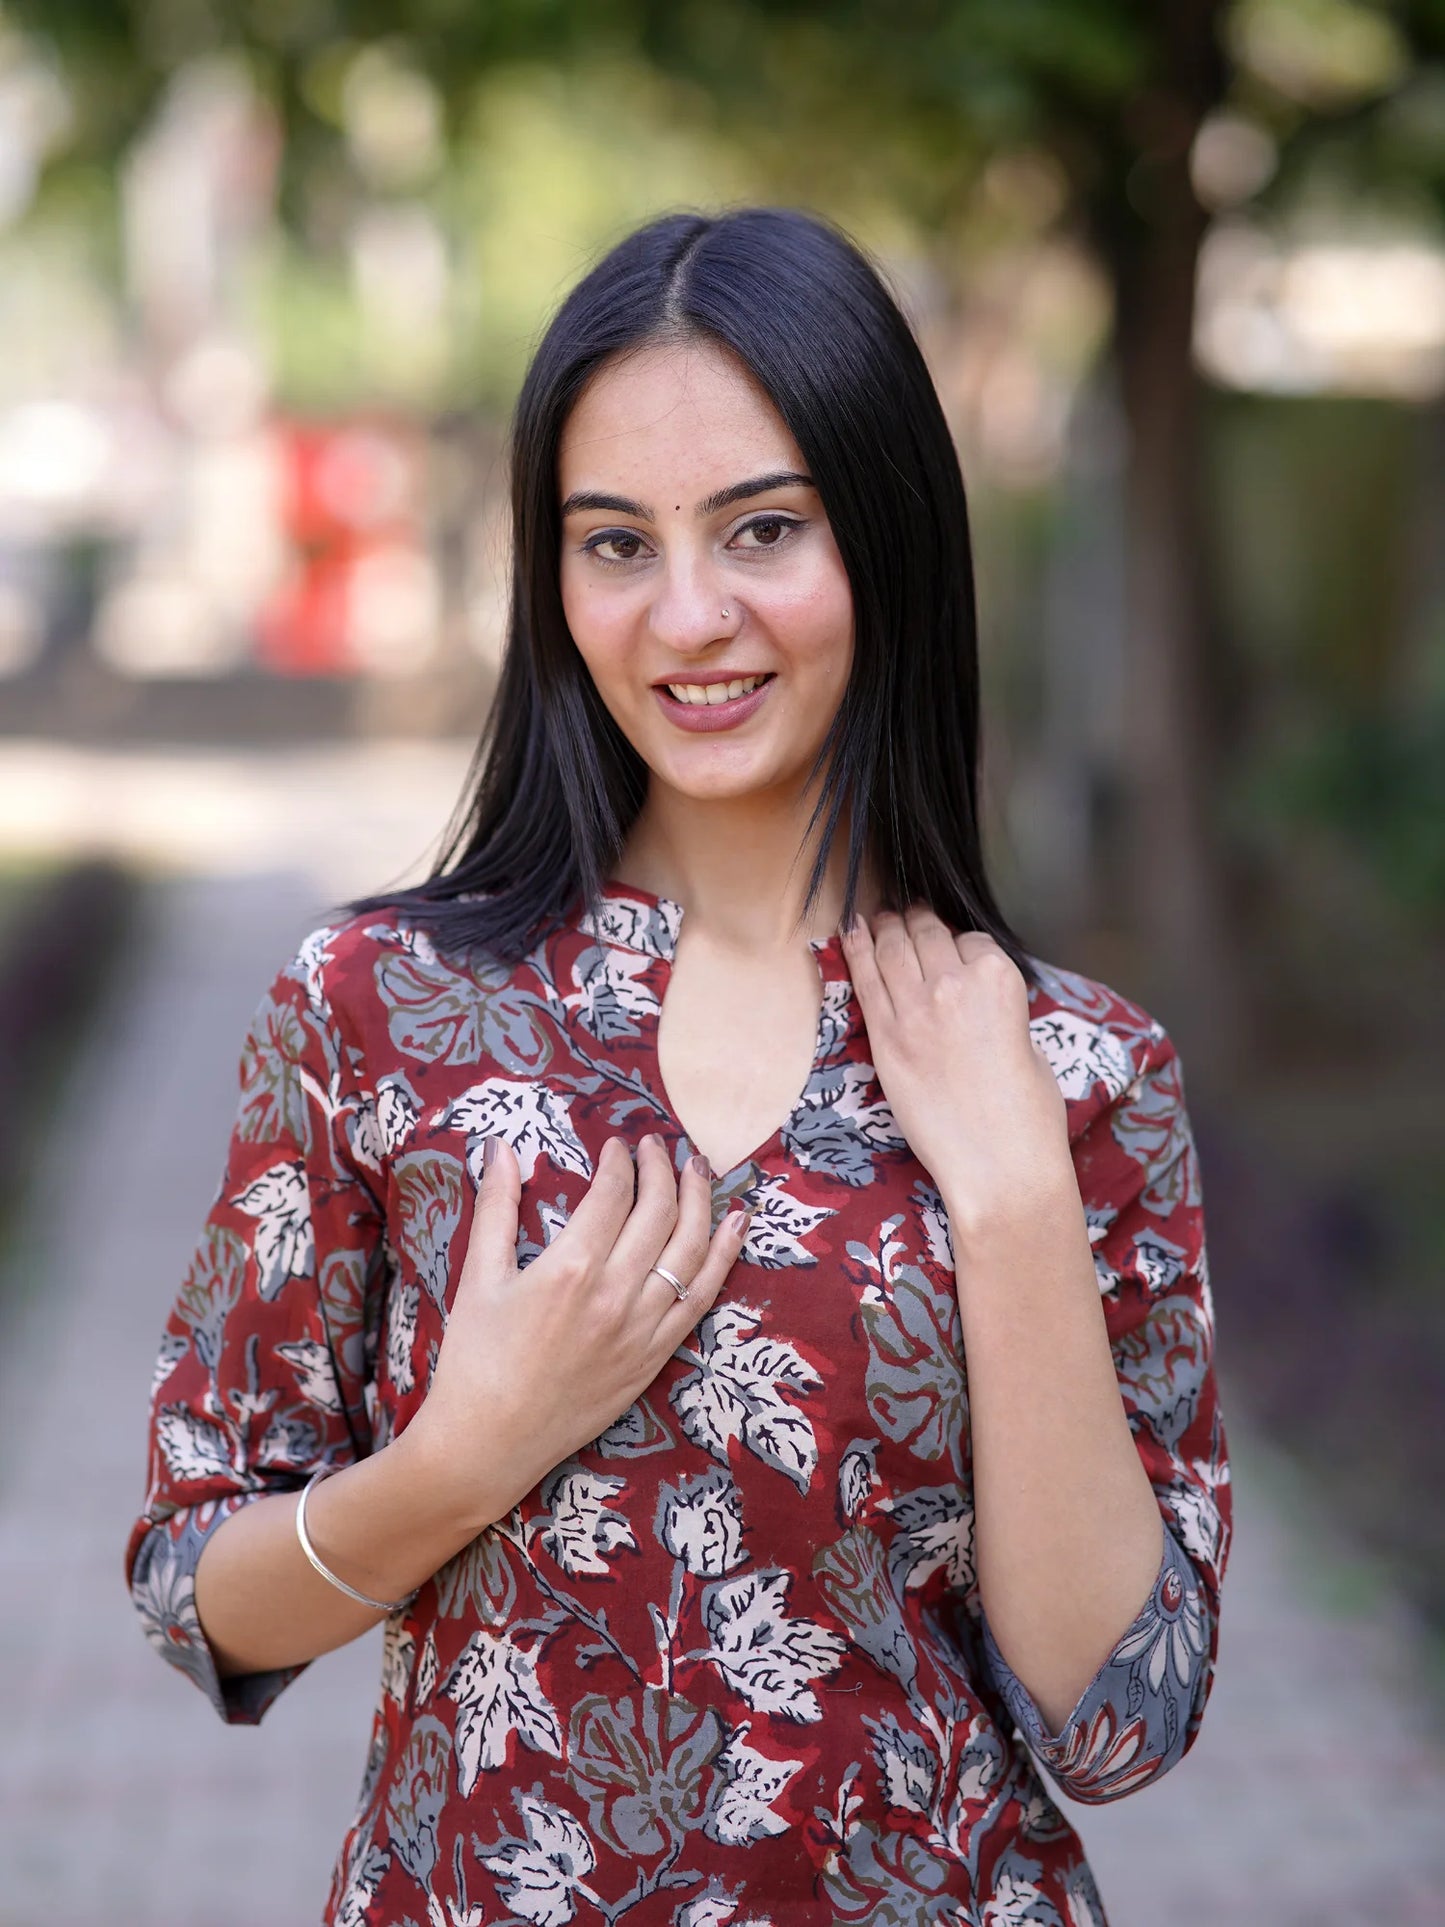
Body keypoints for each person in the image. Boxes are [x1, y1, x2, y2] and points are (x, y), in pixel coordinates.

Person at [125, 205, 1231, 1926]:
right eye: (614, 544)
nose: (687, 616)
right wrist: (460, 1454)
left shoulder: (1081, 1071)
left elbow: (1119, 1720)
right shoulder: (374, 1007)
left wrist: (1006, 1188)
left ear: (887, 542)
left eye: (762, 530)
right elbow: (194, 1594)